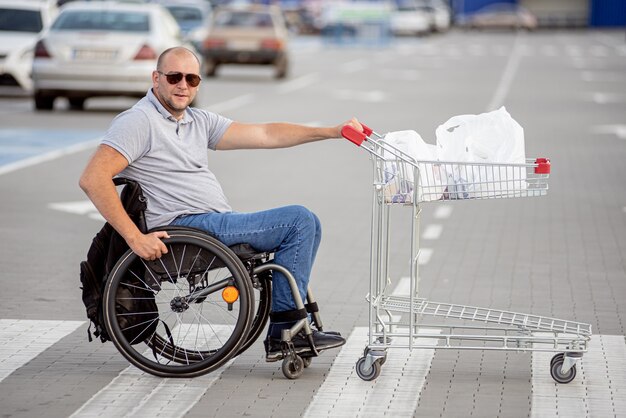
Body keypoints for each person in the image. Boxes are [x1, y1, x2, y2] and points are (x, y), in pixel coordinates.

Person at [79, 46, 362, 361]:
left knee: (310, 222)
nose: (183, 85)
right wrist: (135, 238)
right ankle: (287, 329)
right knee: (297, 220)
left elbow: (267, 134)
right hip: (184, 228)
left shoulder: (196, 120)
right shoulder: (138, 121)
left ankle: (290, 326)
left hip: (211, 225)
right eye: (174, 77)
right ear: (156, 78)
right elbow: (93, 179)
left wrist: (332, 132)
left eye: (192, 78)